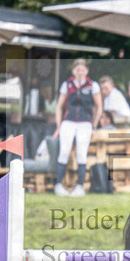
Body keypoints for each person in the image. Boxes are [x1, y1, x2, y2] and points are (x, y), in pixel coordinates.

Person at [54, 59, 104, 197]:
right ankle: (58, 184)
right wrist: (59, 126)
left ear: (87, 71)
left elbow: (99, 106)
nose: (80, 72)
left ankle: (80, 186)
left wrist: (94, 124)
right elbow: (59, 106)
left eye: (82, 69)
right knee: (64, 151)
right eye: (77, 69)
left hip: (85, 123)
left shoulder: (92, 86)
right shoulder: (67, 84)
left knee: (82, 154)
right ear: (73, 71)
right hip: (68, 121)